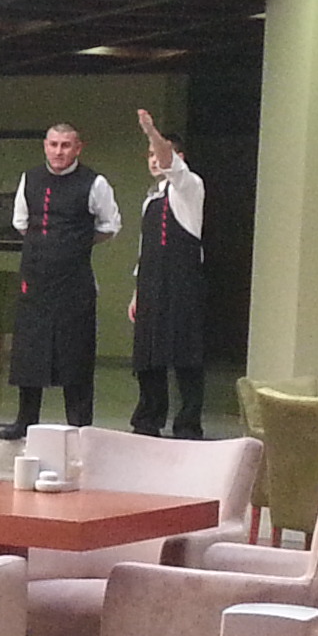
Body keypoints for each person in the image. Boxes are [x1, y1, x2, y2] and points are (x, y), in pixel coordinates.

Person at [0, 122, 119, 441]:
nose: (59, 151)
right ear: (45, 146)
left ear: (78, 148)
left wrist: (72, 244)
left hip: (74, 282)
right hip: (34, 281)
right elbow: (21, 223)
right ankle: (25, 421)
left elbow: (110, 226)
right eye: (53, 144)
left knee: (75, 352)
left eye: (66, 145)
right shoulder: (30, 178)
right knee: (29, 351)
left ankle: (79, 426)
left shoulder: (95, 183)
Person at [128, 107, 205, 438]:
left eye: (158, 153)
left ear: (179, 158)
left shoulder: (189, 188)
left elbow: (171, 164)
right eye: (149, 154)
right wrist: (137, 291)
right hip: (151, 284)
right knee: (148, 355)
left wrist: (151, 131)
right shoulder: (150, 200)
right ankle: (148, 418)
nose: (154, 159)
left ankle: (188, 423)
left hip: (182, 282)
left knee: (185, 354)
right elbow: (144, 248)